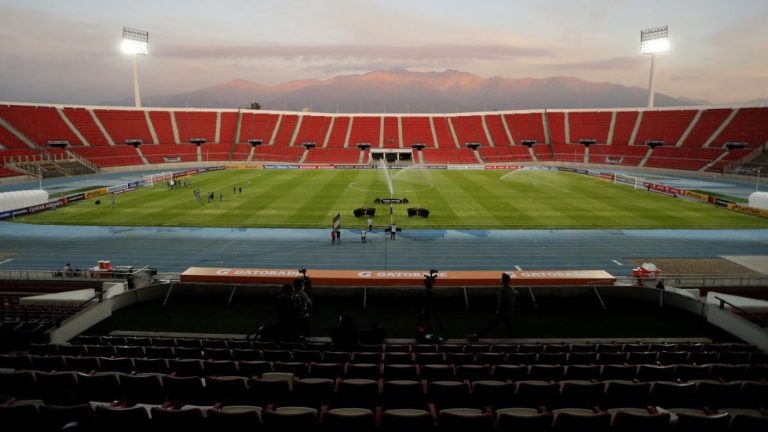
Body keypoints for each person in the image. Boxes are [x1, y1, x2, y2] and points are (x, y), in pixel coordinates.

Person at [469, 273, 517, 341]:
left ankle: (477, 336)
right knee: (509, 327)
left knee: (491, 325)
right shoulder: (511, 289)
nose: (500, 279)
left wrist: (498, 311)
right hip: (508, 312)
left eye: (501, 279)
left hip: (503, 312)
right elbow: (511, 300)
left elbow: (501, 301)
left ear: (503, 280)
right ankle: (513, 339)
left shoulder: (503, 289)